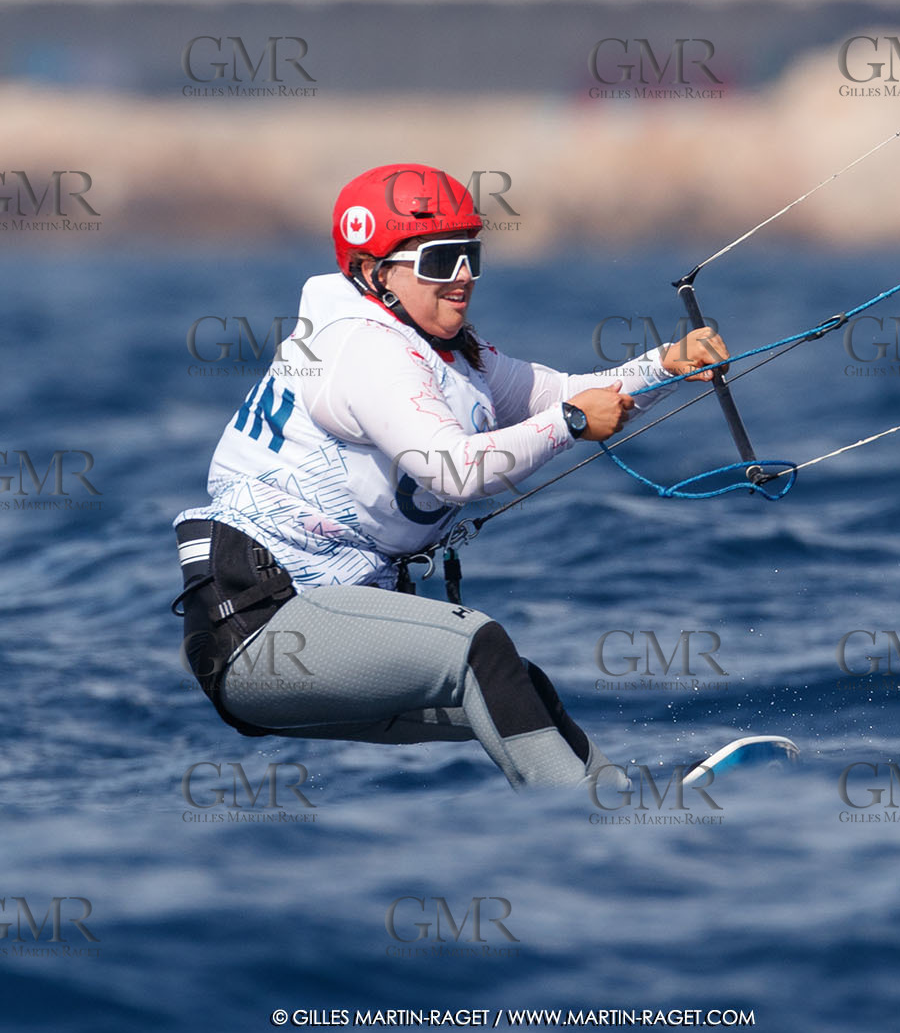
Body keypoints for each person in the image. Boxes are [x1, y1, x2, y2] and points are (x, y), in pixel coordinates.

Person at [172, 162, 727, 789]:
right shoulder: (364, 349)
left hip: (313, 625)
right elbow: (456, 471)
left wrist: (666, 364)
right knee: (478, 649)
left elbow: (564, 393)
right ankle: (598, 823)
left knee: (518, 686)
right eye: (440, 261)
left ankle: (617, 808)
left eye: (470, 256)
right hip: (262, 632)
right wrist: (572, 424)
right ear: (374, 273)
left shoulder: (445, 349)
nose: (462, 278)